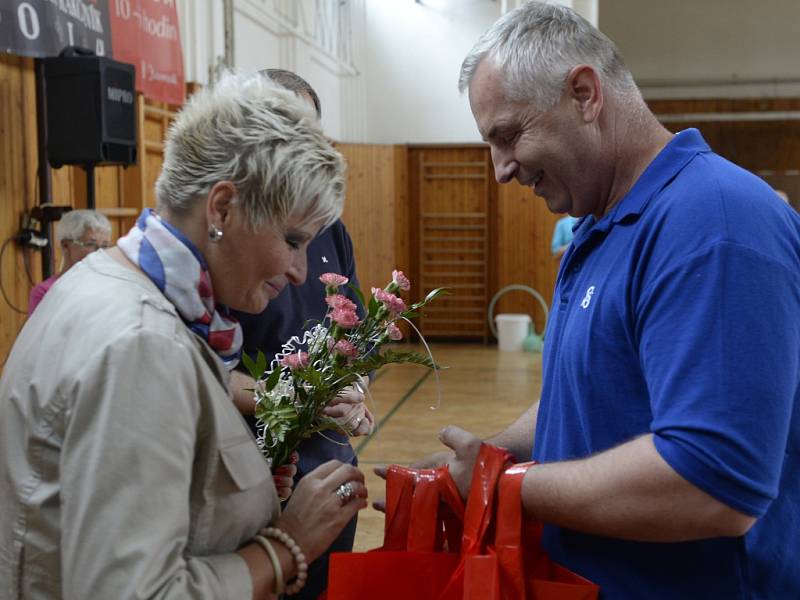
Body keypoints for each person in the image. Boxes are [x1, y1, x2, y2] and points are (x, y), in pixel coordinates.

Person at [394, 3, 800, 598]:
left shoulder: (714, 223)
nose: (501, 170)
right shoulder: (601, 225)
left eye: (507, 136)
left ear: (585, 93)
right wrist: (492, 454)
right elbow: (590, 389)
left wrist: (506, 486)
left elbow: (713, 482)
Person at [0, 71, 368, 599]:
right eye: (291, 239)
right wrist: (287, 544)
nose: (299, 271)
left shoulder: (109, 281)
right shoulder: (142, 344)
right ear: (221, 208)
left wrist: (240, 499)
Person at [229, 69, 373, 600]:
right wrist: (297, 398)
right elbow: (205, 377)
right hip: (254, 475)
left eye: (307, 137)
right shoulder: (220, 246)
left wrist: (357, 394)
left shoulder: (330, 225)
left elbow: (354, 331)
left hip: (328, 469)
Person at [27, 208, 111, 316]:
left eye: (105, 246)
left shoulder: (110, 287)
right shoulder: (46, 292)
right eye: (90, 244)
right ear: (66, 245)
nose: (100, 252)